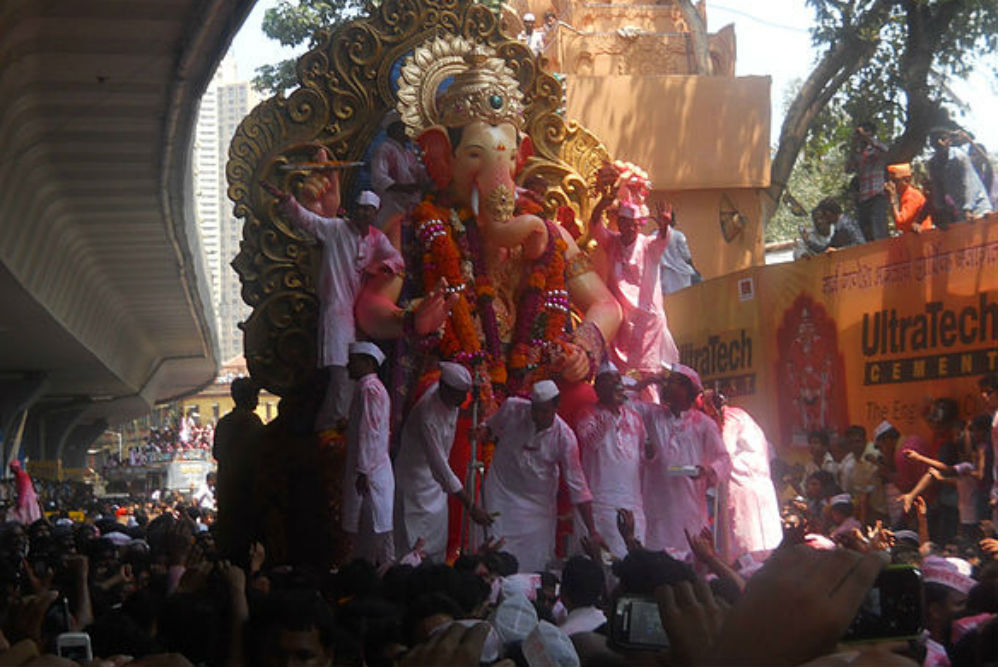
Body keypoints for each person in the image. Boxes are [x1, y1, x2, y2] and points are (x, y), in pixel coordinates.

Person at [265, 178, 405, 431]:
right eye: (360, 209)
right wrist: (288, 201)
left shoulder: (376, 238)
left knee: (350, 378)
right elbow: (308, 220)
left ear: (374, 214)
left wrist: (385, 267)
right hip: (337, 309)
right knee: (342, 373)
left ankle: (333, 427)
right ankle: (332, 428)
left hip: (357, 311)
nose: (364, 214)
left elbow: (396, 259)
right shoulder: (336, 229)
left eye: (369, 210)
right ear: (354, 210)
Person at [479, 380, 605, 572]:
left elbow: (578, 487)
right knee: (494, 555)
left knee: (534, 562)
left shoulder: (565, 437)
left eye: (544, 411)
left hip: (537, 509)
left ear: (556, 407)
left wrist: (593, 530)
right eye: (535, 410)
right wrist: (482, 432)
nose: (537, 416)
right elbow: (490, 428)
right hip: (501, 494)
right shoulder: (513, 408)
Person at [393, 362, 492, 562]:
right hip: (415, 484)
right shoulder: (427, 414)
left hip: (436, 488)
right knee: (413, 549)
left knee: (436, 545)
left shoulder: (448, 399)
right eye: (460, 396)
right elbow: (440, 467)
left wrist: (471, 414)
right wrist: (471, 507)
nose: (463, 400)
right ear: (444, 389)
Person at [590, 181, 679, 394]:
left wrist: (665, 225)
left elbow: (663, 239)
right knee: (619, 379)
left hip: (646, 322)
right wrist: (602, 203)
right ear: (619, 223)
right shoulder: (612, 242)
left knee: (648, 379)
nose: (629, 228)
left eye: (634, 224)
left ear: (640, 226)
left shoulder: (649, 245)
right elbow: (595, 225)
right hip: (621, 321)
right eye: (625, 223)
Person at [635, 364, 730, 557]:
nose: (667, 386)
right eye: (668, 381)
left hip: (689, 509)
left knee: (689, 561)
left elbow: (724, 459)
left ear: (688, 390)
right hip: (657, 510)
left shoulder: (704, 424)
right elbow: (624, 403)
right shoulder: (653, 415)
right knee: (658, 561)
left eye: (674, 382)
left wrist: (707, 471)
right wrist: (647, 382)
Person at [573, 364, 647, 558]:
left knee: (634, 561)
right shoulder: (587, 413)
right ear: (598, 389)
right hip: (601, 504)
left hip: (632, 503)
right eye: (609, 381)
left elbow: (642, 459)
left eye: (618, 380)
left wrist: (651, 453)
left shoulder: (635, 418)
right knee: (603, 563)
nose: (616, 384)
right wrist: (609, 412)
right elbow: (591, 441)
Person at [702, 390, 783, 564]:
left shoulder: (731, 417)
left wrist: (699, 470)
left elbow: (724, 452)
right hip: (755, 487)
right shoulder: (744, 418)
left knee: (744, 543)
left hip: (743, 487)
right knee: (759, 542)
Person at [342, 341, 395, 566]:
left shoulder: (369, 390)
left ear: (367, 363)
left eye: (352, 362)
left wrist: (363, 470)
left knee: (373, 532)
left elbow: (369, 432)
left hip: (370, 473)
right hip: (372, 470)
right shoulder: (367, 388)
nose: (348, 366)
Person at [213, 377, 264, 565]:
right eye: (255, 395)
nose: (257, 400)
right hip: (247, 493)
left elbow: (217, 453)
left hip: (227, 492)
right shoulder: (252, 422)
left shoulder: (224, 423)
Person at [926, 127, 992, 228]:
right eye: (935, 140)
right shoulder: (933, 164)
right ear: (931, 144)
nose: (939, 142)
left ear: (949, 141)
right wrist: (942, 214)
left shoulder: (960, 157)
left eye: (943, 139)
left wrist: (968, 209)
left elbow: (969, 184)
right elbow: (938, 191)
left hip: (979, 207)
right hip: (961, 212)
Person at [371, 115, 427, 230]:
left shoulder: (408, 151)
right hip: (391, 206)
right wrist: (404, 188)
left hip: (410, 206)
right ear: (393, 131)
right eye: (403, 128)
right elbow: (379, 177)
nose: (407, 132)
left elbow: (418, 172)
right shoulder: (385, 148)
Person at [844, 121, 889, 241]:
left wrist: (868, 139)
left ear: (871, 133)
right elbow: (848, 169)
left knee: (879, 231)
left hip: (877, 195)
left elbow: (887, 152)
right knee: (866, 233)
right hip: (863, 198)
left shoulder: (876, 149)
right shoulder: (858, 153)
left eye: (865, 131)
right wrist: (853, 147)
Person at [793, 198, 865, 259]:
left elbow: (860, 244)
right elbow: (827, 249)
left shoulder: (846, 223)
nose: (822, 220)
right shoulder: (838, 226)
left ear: (829, 213)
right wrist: (808, 242)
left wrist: (839, 250)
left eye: (823, 215)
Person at [885, 162, 933, 233]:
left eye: (894, 181)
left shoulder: (912, 196)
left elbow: (900, 222)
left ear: (906, 180)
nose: (891, 184)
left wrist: (893, 198)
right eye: (890, 181)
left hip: (923, 237)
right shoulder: (903, 196)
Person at [658, 209, 698, 294]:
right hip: (681, 274)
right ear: (672, 221)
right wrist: (694, 269)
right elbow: (686, 256)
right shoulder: (678, 235)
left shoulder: (654, 235)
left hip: (663, 274)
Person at [6, 460, 41, 525]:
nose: (11, 470)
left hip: (27, 501)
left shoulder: (21, 476)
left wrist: (20, 503)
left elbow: (24, 490)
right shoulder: (19, 476)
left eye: (11, 468)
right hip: (27, 500)